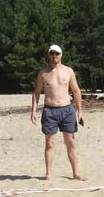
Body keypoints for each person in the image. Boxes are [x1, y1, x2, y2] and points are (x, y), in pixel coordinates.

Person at [29, 44, 85, 181]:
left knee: (70, 142)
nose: (54, 57)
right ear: (49, 55)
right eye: (52, 54)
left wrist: (80, 111)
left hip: (67, 110)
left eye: (57, 54)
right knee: (49, 143)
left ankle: (75, 173)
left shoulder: (68, 71)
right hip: (50, 110)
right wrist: (33, 111)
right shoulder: (43, 73)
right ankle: (48, 174)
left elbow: (76, 91)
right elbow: (36, 92)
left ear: (61, 55)